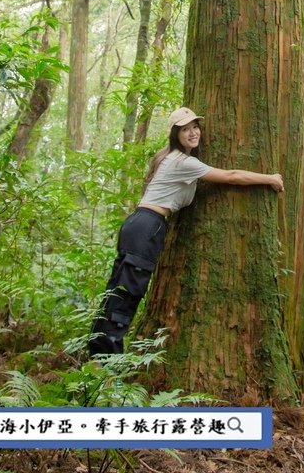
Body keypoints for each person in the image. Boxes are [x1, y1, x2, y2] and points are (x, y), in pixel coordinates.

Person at [88, 105, 284, 356]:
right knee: (128, 293)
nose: (193, 133)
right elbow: (232, 176)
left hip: (138, 224)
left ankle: (97, 353)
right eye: (185, 129)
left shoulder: (168, 157)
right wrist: (270, 179)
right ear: (175, 134)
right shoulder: (183, 162)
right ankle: (107, 361)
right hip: (148, 226)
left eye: (195, 127)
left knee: (118, 289)